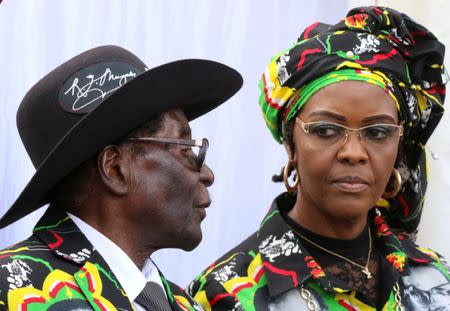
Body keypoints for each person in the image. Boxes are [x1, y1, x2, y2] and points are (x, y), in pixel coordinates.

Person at [187, 7, 450, 310]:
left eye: (377, 132)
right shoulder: (224, 294)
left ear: (399, 145)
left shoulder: (435, 276)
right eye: (326, 130)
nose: (353, 153)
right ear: (291, 144)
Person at [0, 45, 242, 310]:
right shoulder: (12, 289)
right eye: (186, 150)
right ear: (115, 169)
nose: (207, 174)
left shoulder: (188, 305)